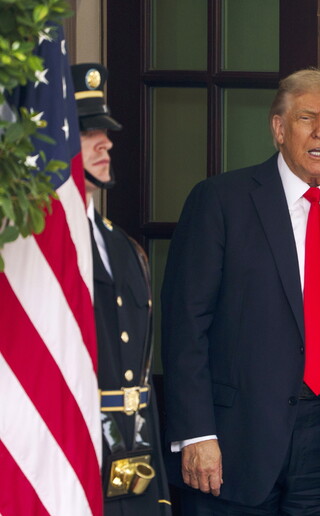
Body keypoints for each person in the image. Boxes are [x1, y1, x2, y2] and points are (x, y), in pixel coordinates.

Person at [161, 68, 320, 515]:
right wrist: (196, 432)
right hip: (233, 439)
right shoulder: (220, 201)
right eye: (307, 117)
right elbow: (185, 325)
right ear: (278, 128)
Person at [72, 62, 172, 515]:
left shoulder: (125, 247)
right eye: (86, 132)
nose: (106, 142)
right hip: (70, 452)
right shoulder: (36, 251)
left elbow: (139, 384)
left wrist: (159, 490)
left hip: (130, 463)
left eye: (105, 131)